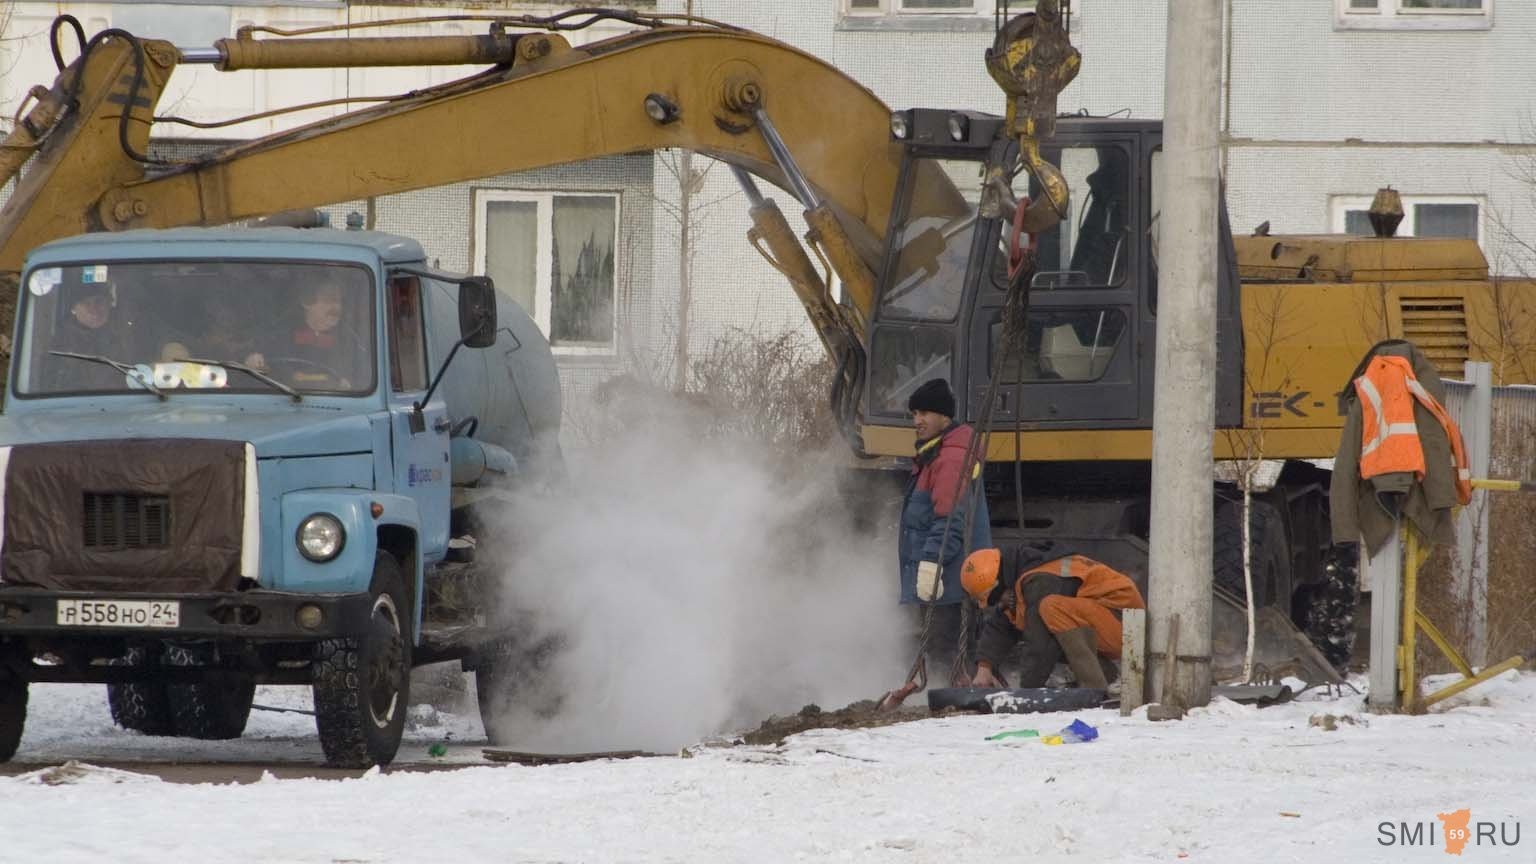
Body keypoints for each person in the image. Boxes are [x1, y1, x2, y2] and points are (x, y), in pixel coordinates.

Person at [898, 378, 991, 683]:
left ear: (944, 416)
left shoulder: (950, 458)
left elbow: (950, 520)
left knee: (944, 648)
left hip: (949, 579)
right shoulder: (936, 454)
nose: (917, 421)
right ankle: (952, 702)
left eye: (924, 413)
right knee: (947, 649)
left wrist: (931, 564)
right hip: (949, 575)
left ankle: (951, 708)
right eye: (914, 414)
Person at [961, 541, 1144, 690]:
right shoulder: (1021, 580)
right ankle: (1104, 673)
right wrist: (984, 667)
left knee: (1049, 610)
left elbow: (1039, 645)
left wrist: (1027, 693)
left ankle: (1094, 687)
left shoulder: (1041, 581)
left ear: (997, 584)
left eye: (995, 598)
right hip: (1112, 621)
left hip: (1127, 624)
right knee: (1049, 622)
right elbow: (1004, 622)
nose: (998, 605)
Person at [250, 280, 360, 388]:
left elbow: (362, 375)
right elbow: (261, 368)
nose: (336, 307)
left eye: (339, 301)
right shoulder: (280, 337)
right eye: (328, 300)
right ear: (307, 302)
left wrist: (351, 383)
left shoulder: (350, 342)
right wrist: (254, 362)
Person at [46, 282, 124, 390]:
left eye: (99, 301)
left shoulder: (125, 335)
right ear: (74, 309)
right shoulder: (61, 342)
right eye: (85, 303)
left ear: (109, 304)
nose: (94, 310)